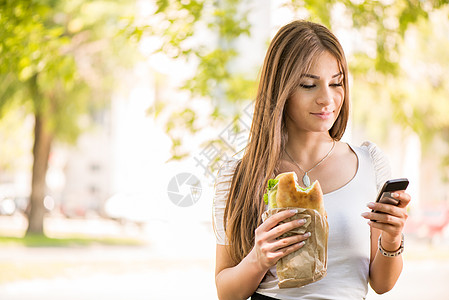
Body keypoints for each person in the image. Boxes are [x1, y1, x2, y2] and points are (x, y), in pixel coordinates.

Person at [212, 20, 411, 300]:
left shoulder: (368, 163)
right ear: (281, 90)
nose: (327, 99)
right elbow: (226, 292)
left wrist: (391, 238)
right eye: (309, 85)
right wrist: (258, 258)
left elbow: (381, 283)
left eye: (336, 83)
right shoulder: (240, 175)